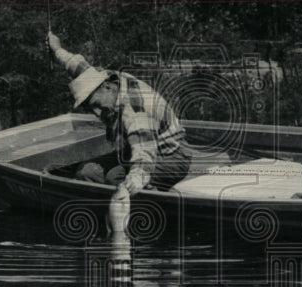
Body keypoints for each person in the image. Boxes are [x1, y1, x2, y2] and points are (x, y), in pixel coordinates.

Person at [47, 32, 193, 243]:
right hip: (138, 147)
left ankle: (139, 217)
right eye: (90, 108)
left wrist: (132, 183)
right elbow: (77, 66)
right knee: (86, 172)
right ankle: (108, 214)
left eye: (96, 105)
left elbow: (144, 155)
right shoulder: (105, 79)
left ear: (106, 88)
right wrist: (56, 49)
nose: (96, 113)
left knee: (116, 179)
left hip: (171, 156)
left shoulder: (134, 110)